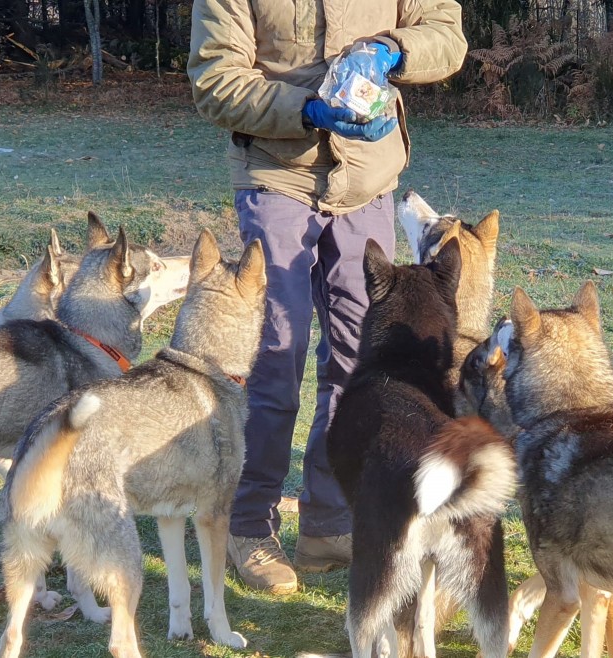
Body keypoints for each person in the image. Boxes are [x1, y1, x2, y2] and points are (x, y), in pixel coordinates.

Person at [187, 1, 467, 594]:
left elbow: (447, 36)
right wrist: (308, 110)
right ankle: (247, 524)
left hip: (367, 181)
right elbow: (215, 80)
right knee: (274, 355)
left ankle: (328, 521)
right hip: (276, 173)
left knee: (360, 359)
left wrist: (395, 49)